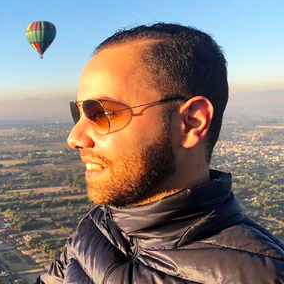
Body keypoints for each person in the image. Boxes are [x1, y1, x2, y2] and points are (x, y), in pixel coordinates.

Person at [34, 23, 284, 284]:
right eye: (79, 113)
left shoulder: (264, 276)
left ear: (191, 122)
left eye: (102, 113)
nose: (74, 138)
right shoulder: (94, 230)